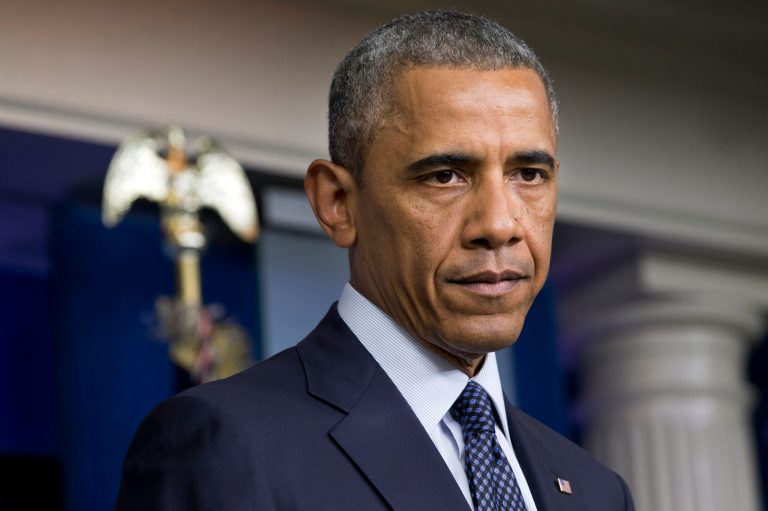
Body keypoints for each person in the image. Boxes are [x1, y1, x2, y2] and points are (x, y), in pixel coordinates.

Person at [117, 10, 635, 511]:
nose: (500, 224)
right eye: (445, 176)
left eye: (528, 174)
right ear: (337, 203)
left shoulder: (596, 491)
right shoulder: (225, 445)